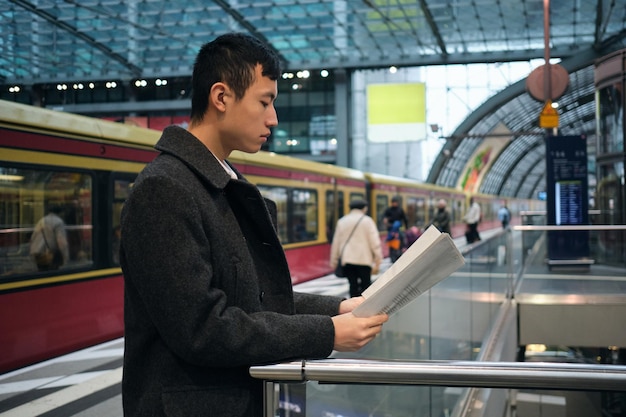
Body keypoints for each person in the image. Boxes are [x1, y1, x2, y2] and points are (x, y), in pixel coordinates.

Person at [119, 33, 388, 417]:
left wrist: (340, 307)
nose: (273, 118)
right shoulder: (165, 190)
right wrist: (327, 333)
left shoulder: (216, 184)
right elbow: (203, 329)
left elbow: (254, 298)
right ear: (221, 97)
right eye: (265, 101)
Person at [330, 200, 383, 297]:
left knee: (352, 285)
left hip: (348, 260)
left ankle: (353, 307)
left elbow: (336, 243)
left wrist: (334, 261)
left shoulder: (342, 221)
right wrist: (378, 258)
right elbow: (374, 242)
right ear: (364, 208)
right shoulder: (368, 221)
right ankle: (366, 307)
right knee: (366, 285)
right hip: (364, 260)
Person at [29, 204, 69, 271]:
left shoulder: (42, 220)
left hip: (38, 254)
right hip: (50, 255)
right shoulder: (59, 222)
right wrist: (65, 256)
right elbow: (61, 242)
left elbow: (33, 237)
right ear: (60, 213)